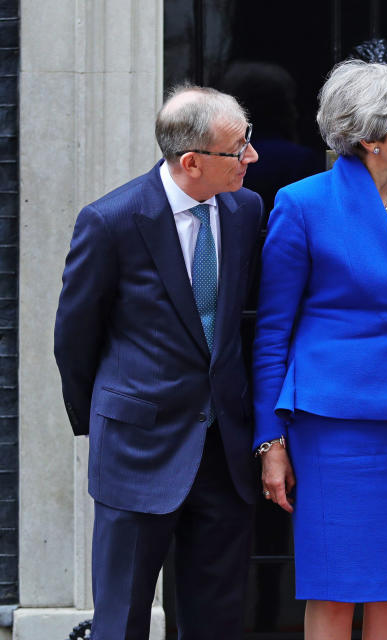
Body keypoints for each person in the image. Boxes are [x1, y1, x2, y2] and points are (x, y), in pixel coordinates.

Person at [254, 59, 387, 640]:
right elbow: (273, 332)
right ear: (371, 136)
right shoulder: (302, 203)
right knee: (334, 587)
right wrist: (270, 440)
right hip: (333, 425)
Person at [53, 86, 263, 639]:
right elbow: (74, 339)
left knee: (217, 620)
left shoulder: (245, 209)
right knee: (120, 621)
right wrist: (105, 422)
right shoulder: (111, 221)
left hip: (223, 453)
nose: (252, 157)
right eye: (238, 148)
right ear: (191, 161)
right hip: (137, 452)